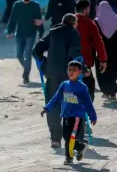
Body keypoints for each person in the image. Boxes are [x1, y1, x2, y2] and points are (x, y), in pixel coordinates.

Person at [33, 13, 81, 148]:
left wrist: (43, 64)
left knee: (53, 105)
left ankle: (55, 139)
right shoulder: (73, 33)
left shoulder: (52, 32)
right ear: (73, 23)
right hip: (68, 76)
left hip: (52, 74)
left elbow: (36, 50)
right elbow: (75, 54)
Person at [41, 61, 97, 165]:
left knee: (71, 137)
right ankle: (80, 147)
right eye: (69, 70)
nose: (71, 72)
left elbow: (88, 103)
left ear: (80, 72)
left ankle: (69, 157)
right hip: (66, 115)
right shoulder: (64, 85)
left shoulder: (82, 87)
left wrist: (92, 116)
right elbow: (56, 98)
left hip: (77, 117)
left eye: (74, 70)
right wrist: (47, 108)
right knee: (66, 137)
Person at [6, 0, 45, 84]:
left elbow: (38, 20)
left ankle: (26, 75)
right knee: (19, 55)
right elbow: (12, 19)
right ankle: (26, 70)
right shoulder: (17, 5)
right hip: (19, 33)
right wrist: (9, 31)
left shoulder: (35, 5)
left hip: (31, 34)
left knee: (27, 54)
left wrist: (41, 33)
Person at [94, 1, 117, 101]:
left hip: (102, 53)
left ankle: (110, 93)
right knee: (113, 73)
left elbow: (94, 39)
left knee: (102, 73)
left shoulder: (97, 22)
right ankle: (111, 93)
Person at [75, 0, 107, 101]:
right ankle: (86, 113)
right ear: (86, 9)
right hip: (84, 62)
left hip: (67, 62)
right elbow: (98, 42)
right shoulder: (89, 23)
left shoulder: (67, 21)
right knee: (89, 89)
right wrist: (103, 59)